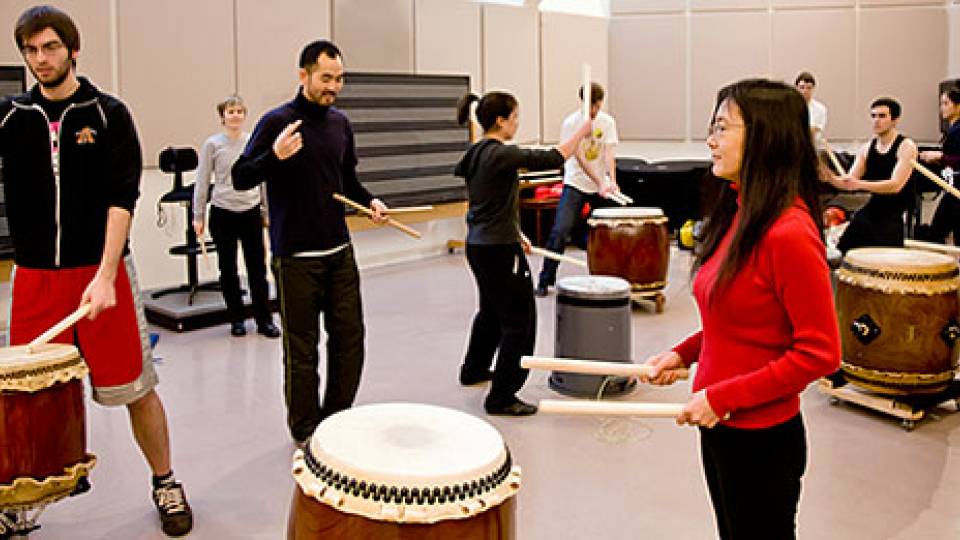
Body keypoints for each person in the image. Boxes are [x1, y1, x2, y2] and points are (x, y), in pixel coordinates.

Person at [0, 6, 192, 536]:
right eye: (31, 51)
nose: (41, 59)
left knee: (135, 390)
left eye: (50, 47)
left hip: (98, 273)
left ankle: (166, 480)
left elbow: (121, 198)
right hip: (36, 278)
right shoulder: (10, 117)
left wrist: (107, 274)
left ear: (72, 49)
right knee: (24, 399)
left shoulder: (108, 114)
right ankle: (19, 505)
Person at [641, 79, 841, 539]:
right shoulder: (739, 211)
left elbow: (820, 353)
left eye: (722, 128)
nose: (710, 140)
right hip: (720, 424)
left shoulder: (788, 232)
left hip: (760, 438)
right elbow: (730, 319)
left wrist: (722, 397)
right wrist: (682, 354)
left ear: (766, 137)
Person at [232, 40, 388, 446]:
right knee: (302, 352)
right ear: (303, 75)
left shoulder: (340, 124)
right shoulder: (276, 122)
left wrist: (368, 200)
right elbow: (241, 176)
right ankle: (305, 431)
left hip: (339, 251)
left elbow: (347, 181)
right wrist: (275, 157)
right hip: (295, 258)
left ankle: (335, 421)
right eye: (325, 78)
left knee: (350, 341)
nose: (332, 87)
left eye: (338, 79)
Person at [453, 91, 591, 416]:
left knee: (490, 312)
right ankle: (502, 396)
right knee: (519, 321)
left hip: (481, 245)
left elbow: (490, 203)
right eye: (514, 117)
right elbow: (554, 158)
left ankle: (473, 369)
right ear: (500, 120)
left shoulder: (476, 152)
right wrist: (581, 133)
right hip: (499, 250)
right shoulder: (501, 154)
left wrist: (516, 234)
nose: (517, 123)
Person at [192, 95, 279, 338]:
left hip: (250, 212)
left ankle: (264, 320)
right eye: (231, 111)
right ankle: (237, 319)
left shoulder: (253, 141)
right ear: (223, 116)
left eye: (240, 111)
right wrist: (197, 215)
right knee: (228, 269)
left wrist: (267, 210)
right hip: (222, 212)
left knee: (257, 269)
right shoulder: (212, 144)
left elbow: (262, 177)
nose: (236, 115)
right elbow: (202, 181)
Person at [535, 83, 620, 297]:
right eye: (589, 105)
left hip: (600, 184)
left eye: (596, 106)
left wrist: (611, 181)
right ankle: (545, 280)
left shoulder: (607, 122)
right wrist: (598, 181)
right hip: (575, 182)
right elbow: (579, 157)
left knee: (616, 228)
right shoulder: (571, 123)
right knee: (560, 231)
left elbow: (610, 153)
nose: (593, 110)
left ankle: (617, 277)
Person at [828, 97, 917, 254]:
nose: (876, 121)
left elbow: (895, 185)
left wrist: (860, 184)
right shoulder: (867, 148)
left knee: (886, 266)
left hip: (893, 214)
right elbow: (848, 183)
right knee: (843, 252)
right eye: (873, 116)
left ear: (895, 120)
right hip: (872, 209)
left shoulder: (906, 146)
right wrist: (827, 176)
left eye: (882, 116)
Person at [917, 87, 960, 244]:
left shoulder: (958, 130)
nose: (942, 108)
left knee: (938, 231)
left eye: (946, 103)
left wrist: (941, 157)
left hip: (956, 190)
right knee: (938, 231)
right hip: (951, 188)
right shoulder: (953, 130)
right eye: (941, 104)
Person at [795, 71, 827, 148]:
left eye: (808, 88)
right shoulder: (788, 107)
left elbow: (815, 131)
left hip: (812, 147)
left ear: (813, 88)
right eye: (802, 87)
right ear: (796, 88)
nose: (805, 91)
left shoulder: (820, 109)